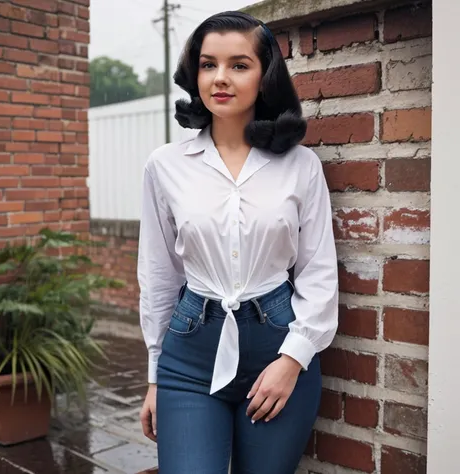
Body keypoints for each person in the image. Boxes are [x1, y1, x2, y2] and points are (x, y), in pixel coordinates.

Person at [137, 10, 338, 474]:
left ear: (264, 76)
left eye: (238, 65)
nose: (220, 78)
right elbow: (159, 274)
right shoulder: (165, 165)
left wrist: (293, 359)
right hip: (189, 355)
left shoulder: (301, 166)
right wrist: (154, 377)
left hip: (279, 345)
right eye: (208, 64)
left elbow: (318, 270)